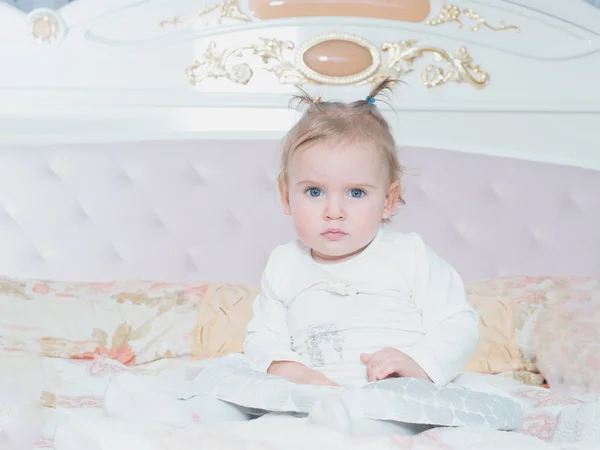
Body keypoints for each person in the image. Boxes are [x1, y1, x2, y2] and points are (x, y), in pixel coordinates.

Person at [197, 78, 480, 435]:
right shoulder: (285, 263)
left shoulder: (410, 255)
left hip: (389, 393)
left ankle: (346, 431)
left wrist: (419, 363)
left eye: (356, 193)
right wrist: (296, 372)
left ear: (388, 200)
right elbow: (262, 336)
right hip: (307, 393)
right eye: (314, 191)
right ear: (286, 197)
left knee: (405, 415)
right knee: (227, 378)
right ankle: (181, 415)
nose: (334, 211)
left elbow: (459, 323)